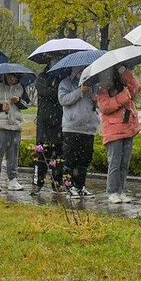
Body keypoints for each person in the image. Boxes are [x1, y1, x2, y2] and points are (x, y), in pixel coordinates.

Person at [96, 66, 141, 204]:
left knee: (124, 163)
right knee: (114, 163)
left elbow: (136, 89)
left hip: (128, 128)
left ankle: (121, 190)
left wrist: (126, 73)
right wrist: (123, 96)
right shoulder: (102, 89)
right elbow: (105, 107)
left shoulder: (124, 85)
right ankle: (112, 191)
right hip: (113, 130)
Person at [0, 72, 30, 191]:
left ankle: (12, 179)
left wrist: (18, 101)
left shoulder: (21, 87)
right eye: (10, 77)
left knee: (13, 155)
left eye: (15, 78)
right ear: (6, 76)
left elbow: (27, 104)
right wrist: (0, 107)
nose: (13, 79)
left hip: (15, 125)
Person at [58, 67, 99, 198]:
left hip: (88, 128)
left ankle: (80, 186)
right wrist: (79, 91)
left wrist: (96, 99)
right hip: (72, 128)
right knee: (70, 160)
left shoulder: (94, 85)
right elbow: (63, 99)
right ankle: (69, 187)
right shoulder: (66, 83)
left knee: (84, 160)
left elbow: (100, 102)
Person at [32, 62, 65, 193]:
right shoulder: (41, 77)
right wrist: (56, 91)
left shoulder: (63, 78)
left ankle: (57, 183)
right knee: (42, 155)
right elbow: (45, 93)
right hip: (44, 123)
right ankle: (37, 183)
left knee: (58, 155)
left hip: (59, 122)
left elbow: (62, 95)